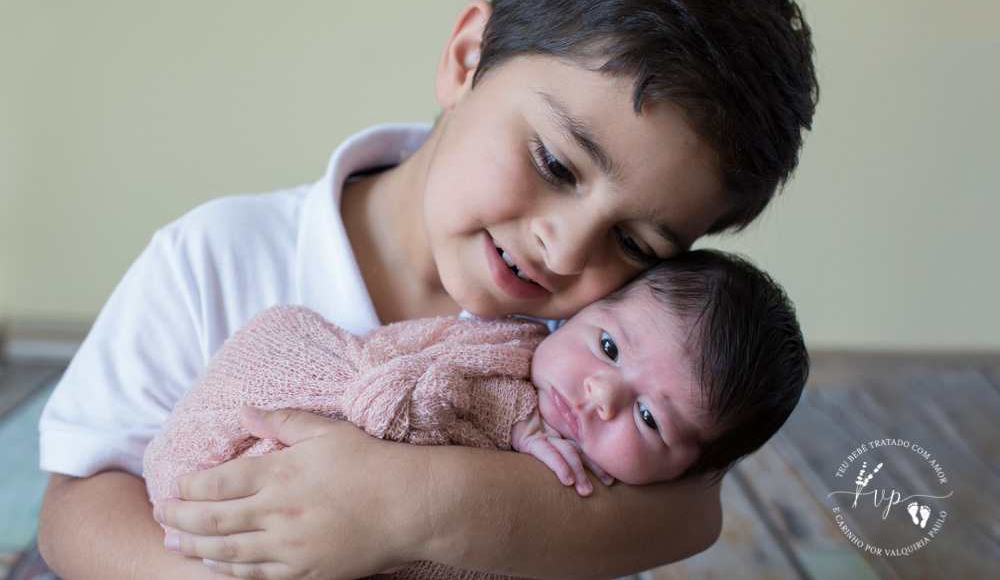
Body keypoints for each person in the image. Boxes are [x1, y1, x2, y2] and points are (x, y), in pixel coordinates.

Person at [37, 0, 817, 580]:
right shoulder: (217, 256)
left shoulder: (600, 350)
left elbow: (688, 513)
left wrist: (401, 502)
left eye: (638, 243)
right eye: (555, 162)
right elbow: (74, 504)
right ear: (467, 58)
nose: (567, 250)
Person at [143, 249, 808, 580]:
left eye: (652, 420)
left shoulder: (609, 505)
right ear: (576, 314)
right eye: (607, 346)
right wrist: (514, 419)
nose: (602, 396)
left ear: (690, 467)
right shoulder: (506, 341)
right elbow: (438, 377)